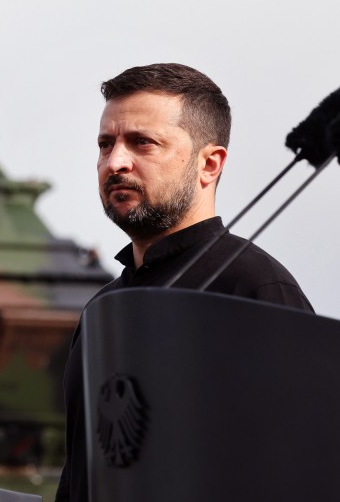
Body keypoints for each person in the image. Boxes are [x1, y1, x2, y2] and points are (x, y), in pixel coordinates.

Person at [54, 63, 313, 502]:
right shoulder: (102, 309)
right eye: (105, 144)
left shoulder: (255, 289)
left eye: (143, 142)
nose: (115, 162)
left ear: (209, 164)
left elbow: (305, 469)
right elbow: (80, 474)